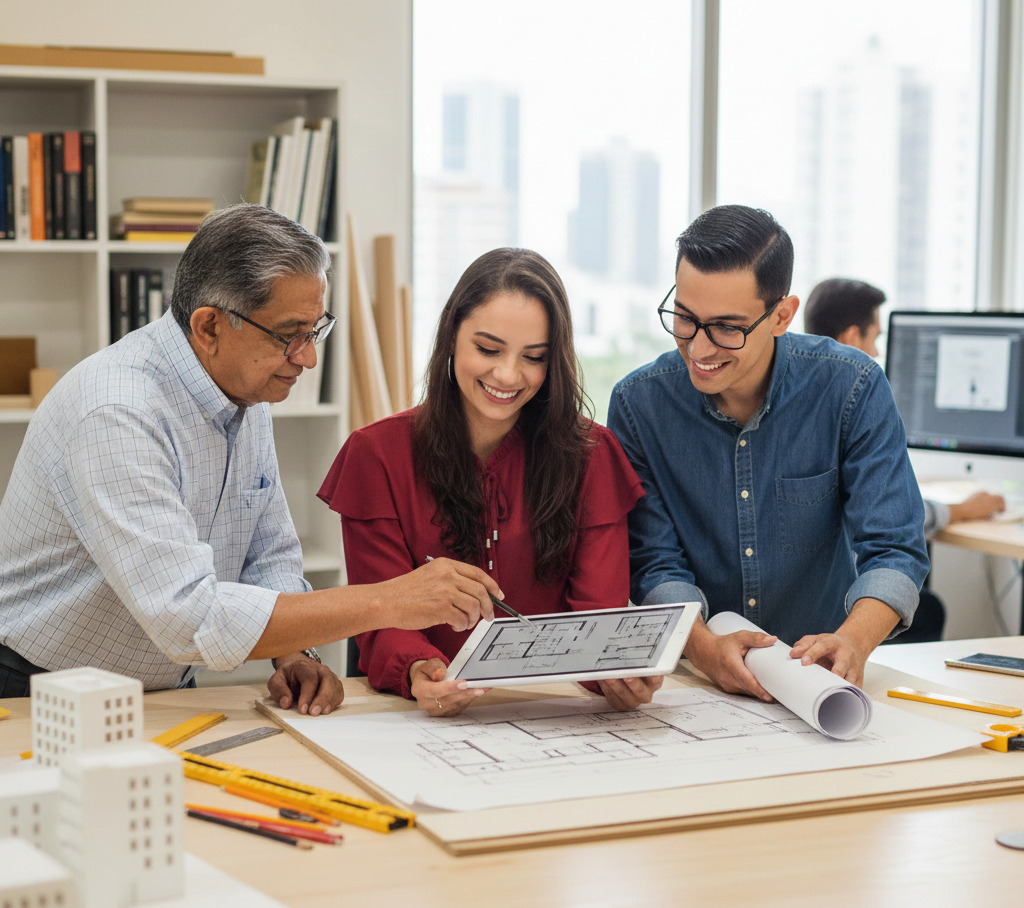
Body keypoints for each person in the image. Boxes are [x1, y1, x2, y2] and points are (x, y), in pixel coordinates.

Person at [0, 204, 500, 713]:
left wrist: (293, 654)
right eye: (289, 335)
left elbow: (269, 551)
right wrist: (389, 600)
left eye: (315, 329)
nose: (307, 357)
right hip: (35, 690)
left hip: (158, 687)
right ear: (210, 326)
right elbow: (187, 618)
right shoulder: (117, 411)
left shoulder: (243, 385)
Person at [607, 205, 930, 702]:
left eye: (727, 328)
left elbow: (895, 547)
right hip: (697, 684)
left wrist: (854, 640)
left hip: (825, 679)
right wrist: (704, 648)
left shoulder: (852, 387)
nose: (698, 348)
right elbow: (653, 562)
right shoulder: (638, 405)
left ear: (781, 315)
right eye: (685, 319)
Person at [317, 247, 653, 716]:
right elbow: (381, 617)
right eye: (488, 349)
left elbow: (599, 618)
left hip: (552, 715)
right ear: (451, 334)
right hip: (418, 719)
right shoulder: (377, 455)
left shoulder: (592, 455)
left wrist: (620, 674)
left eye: (533, 357)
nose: (508, 375)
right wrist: (420, 673)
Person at [804, 276, 1006, 642]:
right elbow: (895, 517)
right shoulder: (847, 405)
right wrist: (960, 510)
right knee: (927, 607)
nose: (878, 353)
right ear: (852, 338)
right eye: (875, 338)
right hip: (835, 609)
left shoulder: (799, 399)